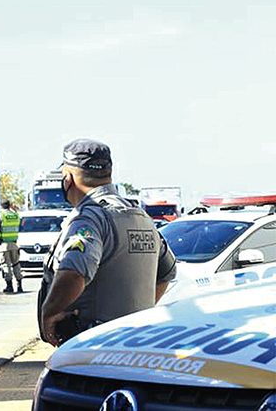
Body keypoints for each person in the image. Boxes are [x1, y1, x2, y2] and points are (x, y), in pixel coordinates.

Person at [38, 139, 177, 347]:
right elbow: (166, 272)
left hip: (95, 346)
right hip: (136, 342)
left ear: (67, 179)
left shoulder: (90, 219)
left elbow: (75, 272)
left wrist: (49, 314)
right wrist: (134, 314)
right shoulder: (140, 217)